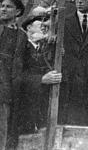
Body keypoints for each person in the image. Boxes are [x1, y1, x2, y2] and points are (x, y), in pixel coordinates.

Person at [13, 8, 61, 140]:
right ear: (29, 26)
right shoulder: (20, 48)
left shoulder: (46, 50)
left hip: (40, 108)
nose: (44, 25)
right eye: (40, 22)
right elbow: (15, 76)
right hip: (22, 108)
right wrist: (41, 79)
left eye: (47, 23)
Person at [0, 0, 26, 150]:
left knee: (4, 131)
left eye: (8, 6)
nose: (3, 9)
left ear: (17, 12)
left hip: (8, 92)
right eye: (2, 5)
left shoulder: (21, 36)